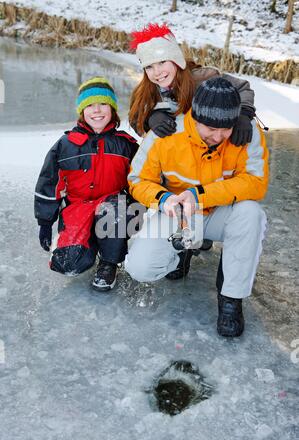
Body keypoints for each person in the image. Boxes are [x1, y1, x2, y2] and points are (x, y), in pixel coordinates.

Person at [125, 77, 269, 337]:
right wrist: (163, 198)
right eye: (210, 128)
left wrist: (201, 195)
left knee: (251, 213)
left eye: (225, 129)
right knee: (141, 268)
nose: (218, 136)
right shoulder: (167, 133)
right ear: (195, 117)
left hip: (219, 213)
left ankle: (231, 299)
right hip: (177, 212)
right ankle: (181, 250)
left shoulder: (246, 134)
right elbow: (137, 180)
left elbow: (256, 183)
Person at [128, 22, 256, 251]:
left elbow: (242, 88)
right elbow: (135, 119)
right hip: (175, 163)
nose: (156, 72)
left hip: (209, 154)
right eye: (149, 67)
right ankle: (181, 242)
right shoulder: (146, 90)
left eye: (161, 62)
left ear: (176, 59)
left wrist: (244, 115)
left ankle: (207, 226)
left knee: (209, 188)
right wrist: (149, 120)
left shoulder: (204, 78)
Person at [34, 76, 138, 291]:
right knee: (67, 265)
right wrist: (45, 222)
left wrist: (136, 211)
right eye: (90, 105)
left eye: (103, 104)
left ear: (112, 109)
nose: (97, 111)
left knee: (115, 209)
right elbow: (49, 183)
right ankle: (90, 242)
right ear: (82, 110)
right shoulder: (65, 144)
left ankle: (109, 263)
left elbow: (140, 182)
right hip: (78, 208)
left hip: (112, 209)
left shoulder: (126, 144)